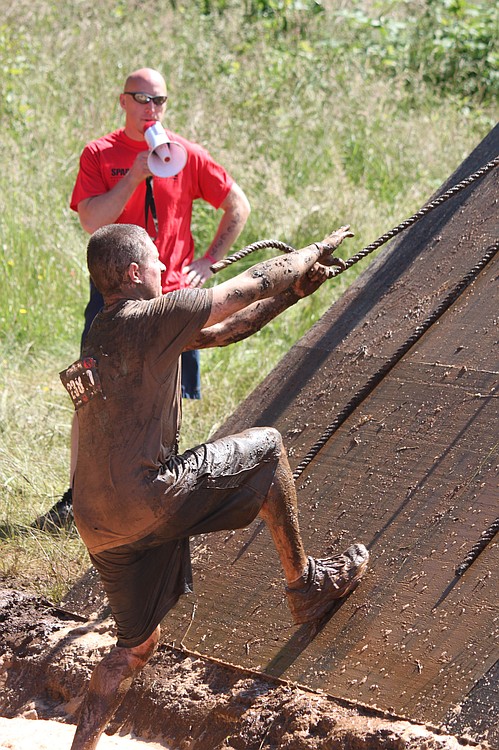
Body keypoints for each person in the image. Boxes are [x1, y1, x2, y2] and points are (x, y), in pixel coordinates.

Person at [63, 222, 369, 750]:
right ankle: (307, 586)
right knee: (268, 447)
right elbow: (246, 285)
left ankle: (81, 746)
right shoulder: (154, 314)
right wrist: (312, 252)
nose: (164, 268)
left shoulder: (101, 332)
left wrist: (294, 294)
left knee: (135, 648)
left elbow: (224, 332)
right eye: (156, 261)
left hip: (95, 524)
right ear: (135, 273)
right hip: (147, 497)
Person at [34, 67, 250, 530]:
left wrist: (209, 260)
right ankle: (79, 497)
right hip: (114, 302)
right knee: (92, 395)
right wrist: (134, 175)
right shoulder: (100, 153)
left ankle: (160, 491)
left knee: (167, 400)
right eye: (142, 99)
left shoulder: (187, 154)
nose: (151, 109)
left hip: (172, 299)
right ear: (123, 101)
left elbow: (238, 205)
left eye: (159, 101)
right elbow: (92, 220)